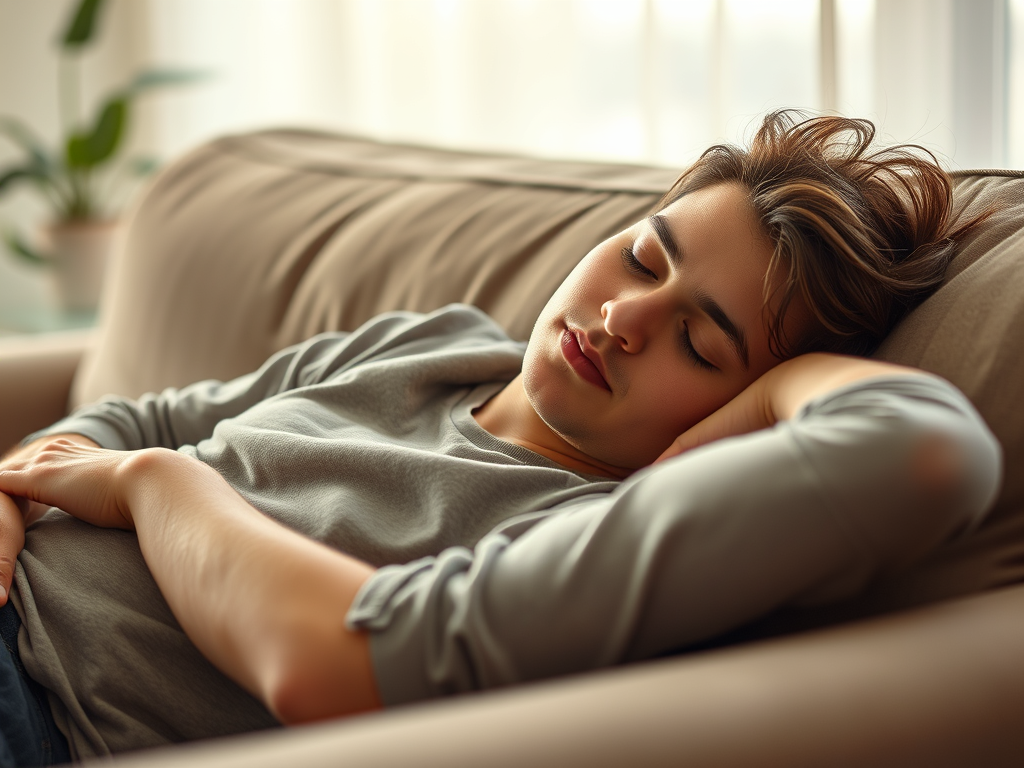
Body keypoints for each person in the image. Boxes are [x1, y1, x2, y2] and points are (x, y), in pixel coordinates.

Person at [0, 111, 1002, 765]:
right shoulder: (435, 343)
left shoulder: (587, 531)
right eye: (643, 258)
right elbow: (145, 414)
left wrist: (150, 484)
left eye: (698, 343)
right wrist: (14, 491)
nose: (623, 320)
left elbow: (917, 445)